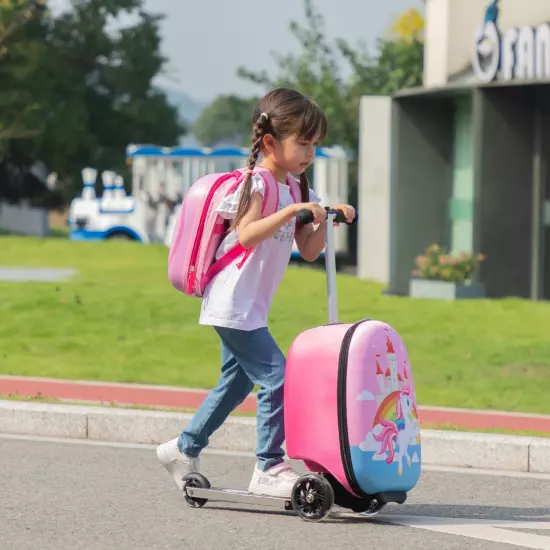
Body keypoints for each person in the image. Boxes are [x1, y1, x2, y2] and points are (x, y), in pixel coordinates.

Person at [156, 87, 355, 499]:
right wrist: (287, 213)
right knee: (277, 376)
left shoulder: (299, 189)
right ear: (269, 142)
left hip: (251, 307)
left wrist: (327, 218)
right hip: (231, 302)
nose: (309, 153)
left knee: (236, 383)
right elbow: (245, 235)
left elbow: (310, 250)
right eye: (302, 142)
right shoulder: (258, 183)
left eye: (314, 144)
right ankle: (269, 465)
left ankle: (182, 448)